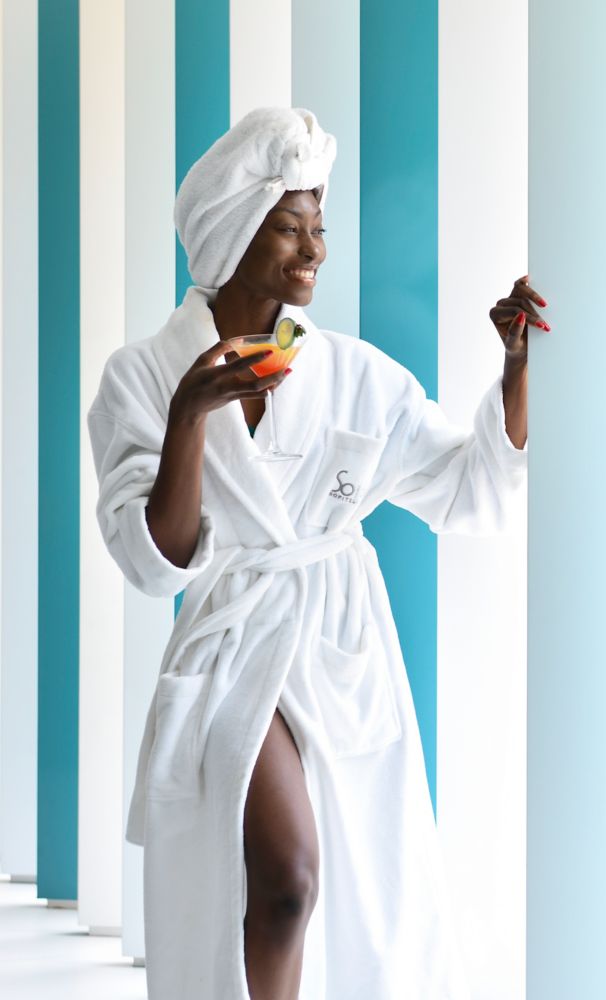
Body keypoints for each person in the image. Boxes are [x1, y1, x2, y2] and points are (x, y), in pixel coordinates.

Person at [88, 107, 540, 1000]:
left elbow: (470, 492)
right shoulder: (142, 376)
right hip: (235, 645)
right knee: (287, 881)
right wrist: (189, 415)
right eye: (290, 228)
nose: (314, 251)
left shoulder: (353, 373)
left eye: (319, 228)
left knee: (350, 903)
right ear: (233, 233)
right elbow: (153, 563)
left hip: (339, 648)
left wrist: (516, 369)